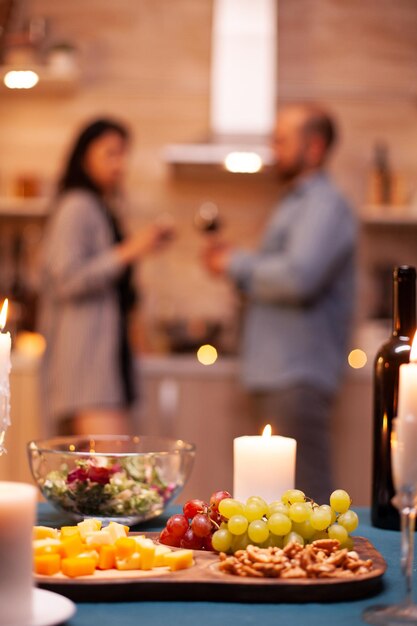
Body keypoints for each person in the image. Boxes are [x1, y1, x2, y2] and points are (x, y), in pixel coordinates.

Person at [203, 103, 357, 502]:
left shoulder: (324, 204)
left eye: (282, 140)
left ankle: (321, 566)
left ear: (316, 147)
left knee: (308, 495)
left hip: (296, 374)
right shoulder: (295, 203)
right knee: (277, 498)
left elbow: (299, 277)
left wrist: (235, 263)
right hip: (277, 373)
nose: (273, 148)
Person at [38, 118, 173, 436]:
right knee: (111, 470)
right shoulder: (77, 206)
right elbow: (67, 278)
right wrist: (130, 250)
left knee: (93, 476)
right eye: (110, 154)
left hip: (101, 365)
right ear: (84, 155)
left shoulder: (99, 206)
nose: (120, 164)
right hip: (86, 368)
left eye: (123, 154)